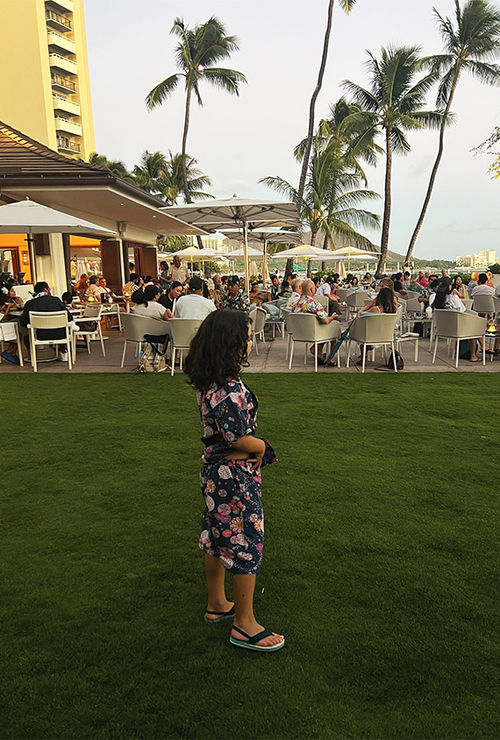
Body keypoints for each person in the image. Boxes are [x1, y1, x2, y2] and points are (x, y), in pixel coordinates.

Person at [184, 310, 284, 652]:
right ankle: (244, 624)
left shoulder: (210, 380)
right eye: (246, 337)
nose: (251, 343)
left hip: (217, 473)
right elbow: (238, 437)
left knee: (216, 534)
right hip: (233, 476)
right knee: (246, 541)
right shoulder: (227, 390)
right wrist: (263, 447)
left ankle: (217, 603)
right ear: (231, 345)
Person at [19, 281, 74, 361]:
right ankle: (63, 351)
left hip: (40, 335)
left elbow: (23, 322)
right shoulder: (56, 301)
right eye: (49, 289)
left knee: (23, 328)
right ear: (46, 289)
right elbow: (69, 317)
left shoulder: (30, 304)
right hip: (60, 334)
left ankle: (31, 354)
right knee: (61, 325)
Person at [292, 279, 339, 363]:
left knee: (321, 327)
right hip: (314, 333)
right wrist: (332, 317)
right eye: (315, 288)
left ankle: (318, 352)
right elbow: (325, 320)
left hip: (300, 333)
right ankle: (331, 358)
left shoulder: (296, 303)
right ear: (311, 290)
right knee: (334, 328)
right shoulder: (314, 304)